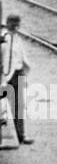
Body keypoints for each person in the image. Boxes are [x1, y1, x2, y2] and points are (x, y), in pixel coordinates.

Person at [1, 14, 34, 147]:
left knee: (18, 106)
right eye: (12, 23)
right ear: (7, 23)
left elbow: (21, 58)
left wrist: (23, 76)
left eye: (17, 24)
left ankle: (21, 136)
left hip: (18, 74)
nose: (15, 26)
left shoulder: (18, 39)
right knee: (1, 108)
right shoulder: (3, 39)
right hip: (5, 76)